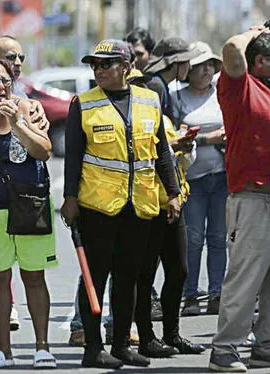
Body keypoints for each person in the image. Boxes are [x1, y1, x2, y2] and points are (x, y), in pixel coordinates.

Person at [61, 39, 181, 369]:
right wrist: (69, 199)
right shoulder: (83, 104)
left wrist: (172, 193)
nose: (98, 70)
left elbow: (162, 153)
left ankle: (120, 345)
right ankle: (93, 348)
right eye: (95, 65)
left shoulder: (149, 100)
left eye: (106, 64)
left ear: (126, 67)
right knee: (94, 280)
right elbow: (73, 157)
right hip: (97, 207)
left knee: (129, 279)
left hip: (139, 206)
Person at [0, 56, 56, 369]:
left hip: (30, 204)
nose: (0, 87)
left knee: (34, 277)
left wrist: (18, 123)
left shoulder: (26, 109)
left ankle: (42, 347)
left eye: (5, 81)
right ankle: (3, 350)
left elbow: (43, 151)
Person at [130, 64, 207, 358]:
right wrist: (171, 144)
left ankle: (172, 335)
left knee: (179, 271)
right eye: (137, 85)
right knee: (144, 275)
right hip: (144, 207)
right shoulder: (126, 120)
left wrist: (185, 148)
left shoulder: (162, 119)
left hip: (172, 205)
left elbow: (176, 162)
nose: (144, 91)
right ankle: (147, 337)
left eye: (145, 86)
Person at [208, 25, 270, 372]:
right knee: (245, 277)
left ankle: (265, 345)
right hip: (252, 198)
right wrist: (255, 31)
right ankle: (225, 349)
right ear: (260, 61)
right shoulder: (242, 88)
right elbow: (231, 47)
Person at [170, 42, 227, 317]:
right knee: (193, 238)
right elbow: (174, 138)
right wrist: (207, 139)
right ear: (187, 70)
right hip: (191, 179)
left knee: (218, 237)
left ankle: (216, 293)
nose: (206, 70)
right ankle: (190, 294)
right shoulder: (176, 97)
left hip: (222, 176)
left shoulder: (221, 95)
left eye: (209, 65)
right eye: (199, 66)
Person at [144, 37, 202, 120]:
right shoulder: (156, 86)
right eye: (187, 62)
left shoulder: (161, 85)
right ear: (175, 63)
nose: (190, 67)